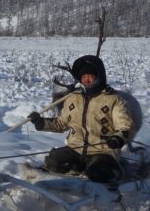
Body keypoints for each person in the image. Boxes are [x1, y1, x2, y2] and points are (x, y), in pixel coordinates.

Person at [28, 54, 136, 185]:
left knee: (99, 173)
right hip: (75, 148)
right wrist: (41, 122)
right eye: (83, 77)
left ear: (99, 76)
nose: (86, 80)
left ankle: (110, 172)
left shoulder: (114, 100)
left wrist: (117, 139)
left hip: (102, 151)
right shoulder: (73, 98)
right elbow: (61, 123)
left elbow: (126, 127)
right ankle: (77, 174)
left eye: (90, 76)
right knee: (54, 160)